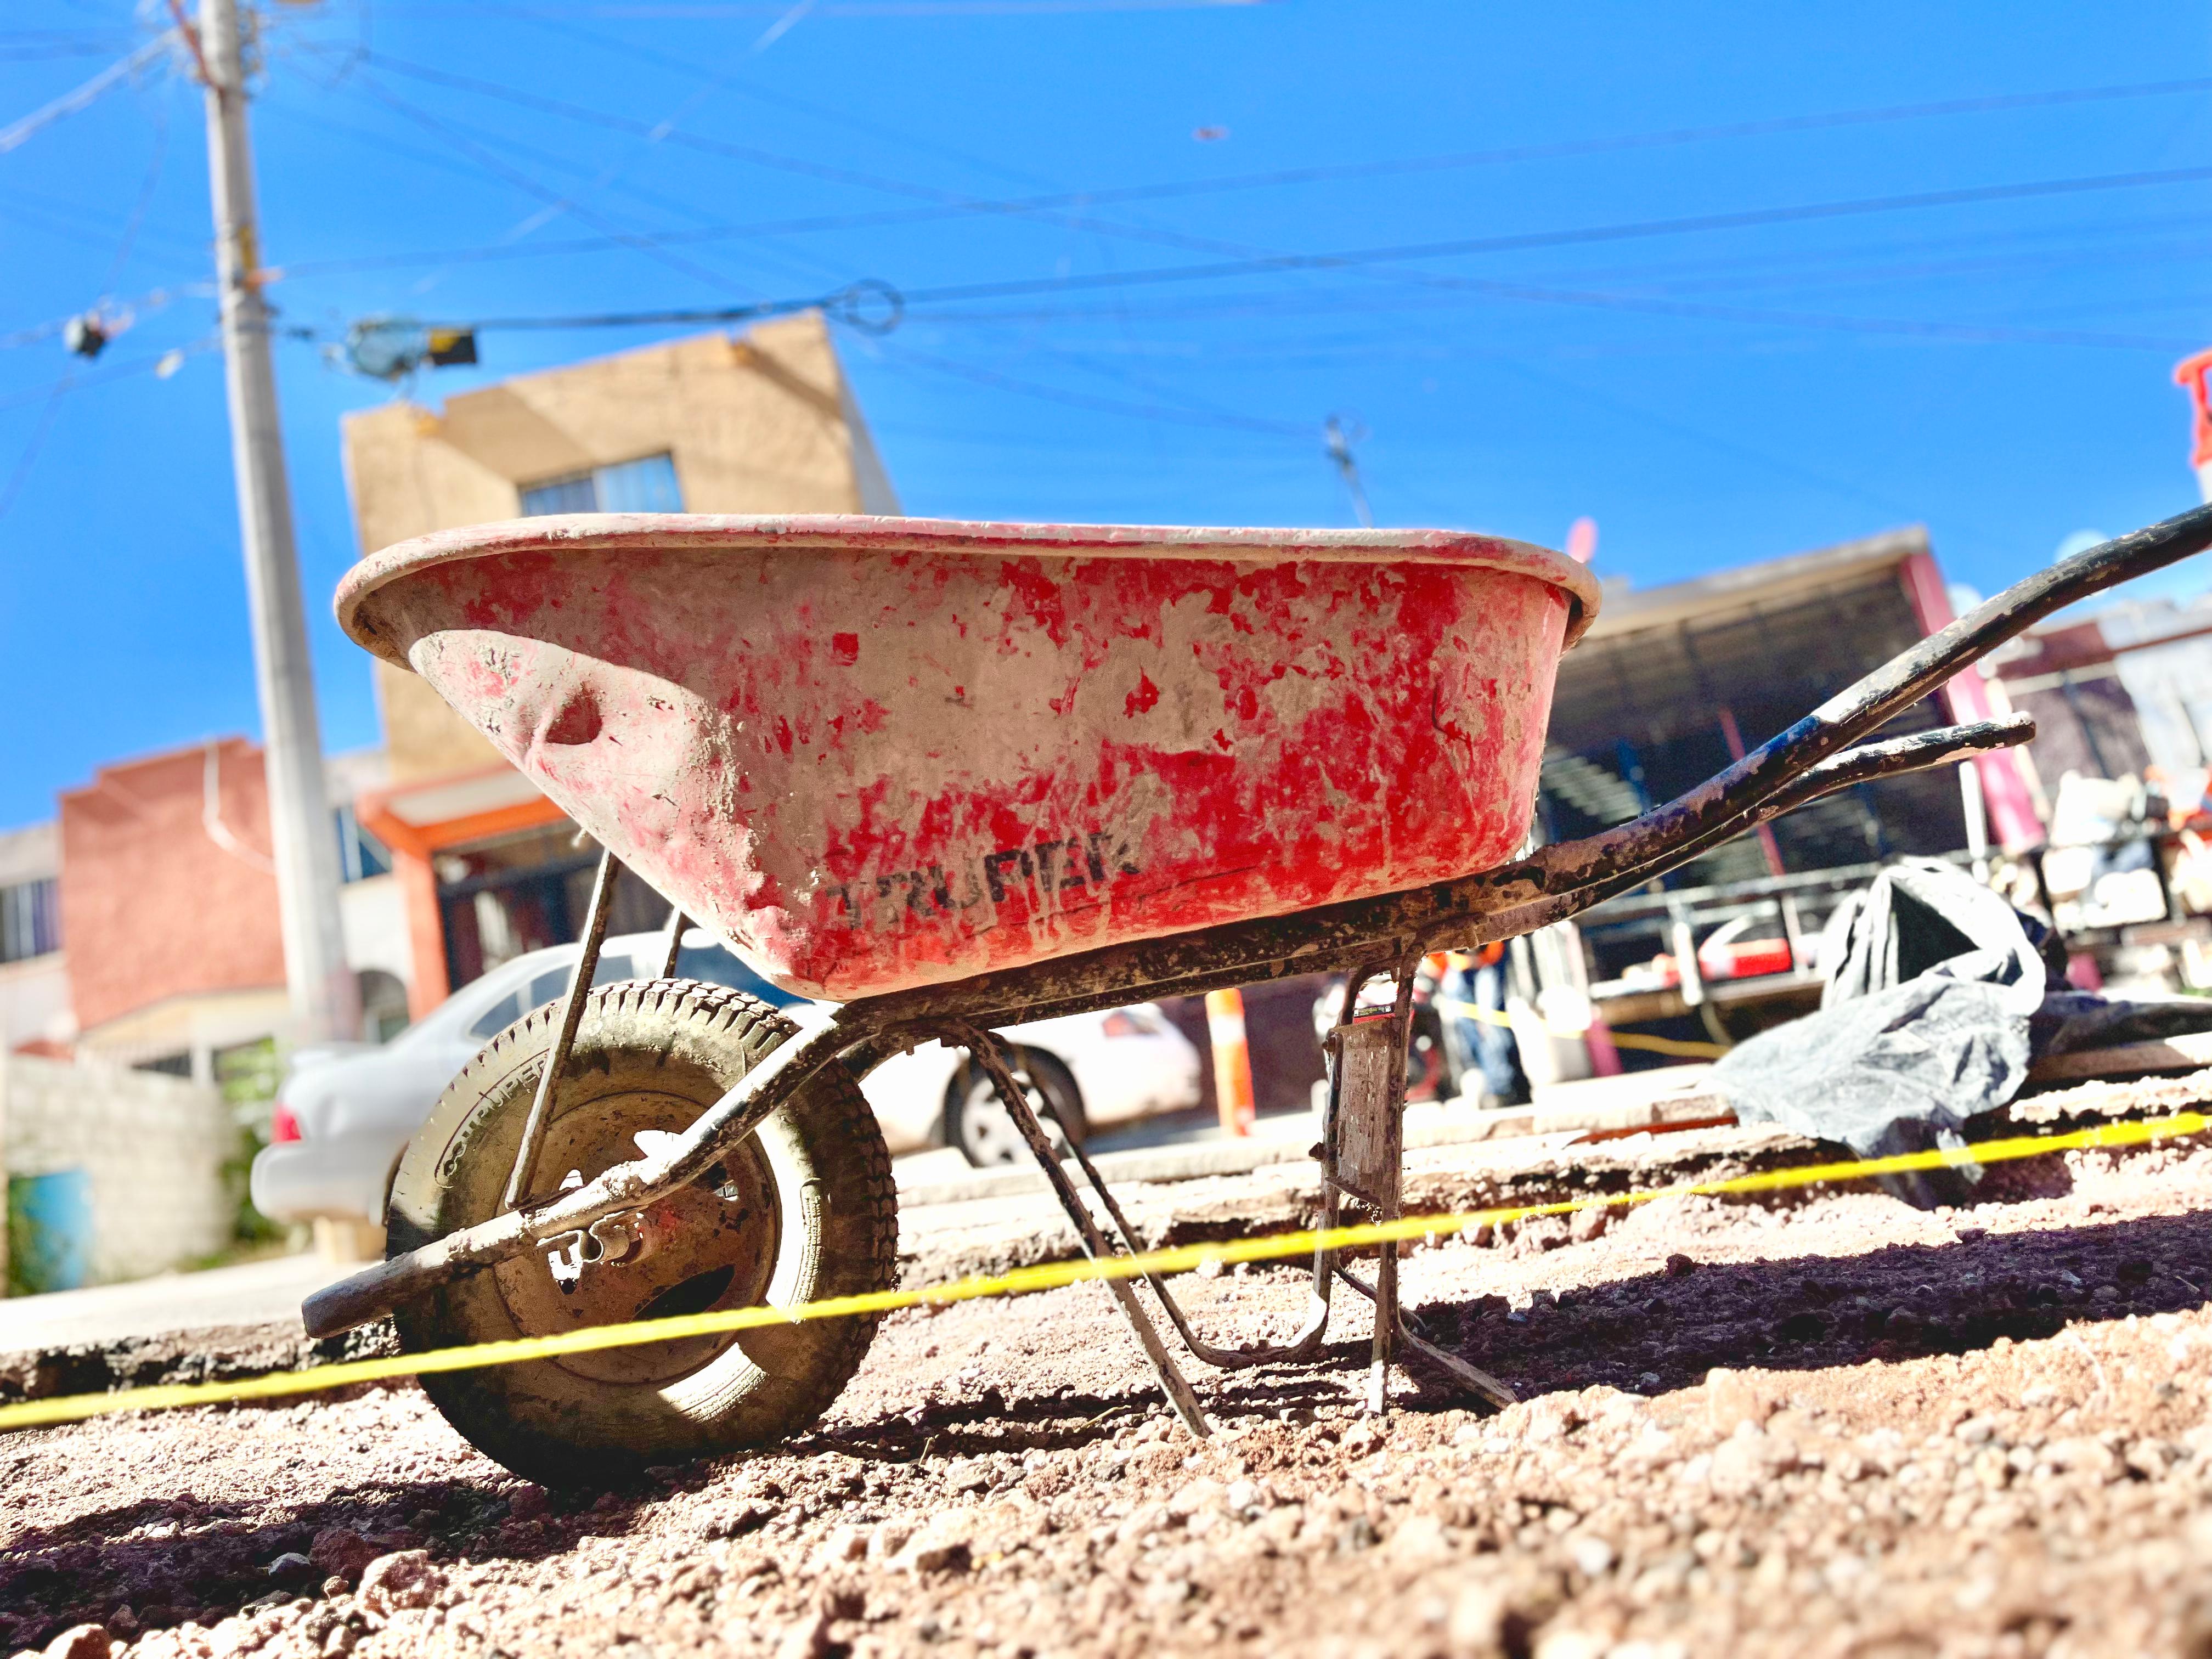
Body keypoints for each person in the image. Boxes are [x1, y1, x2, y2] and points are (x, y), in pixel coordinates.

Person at [1436, 943, 1531, 1107]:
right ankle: (1494, 1087)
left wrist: (1485, 956)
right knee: (1470, 1030)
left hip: (1489, 955)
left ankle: (1511, 1088)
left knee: (1493, 1021)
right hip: (1457, 964)